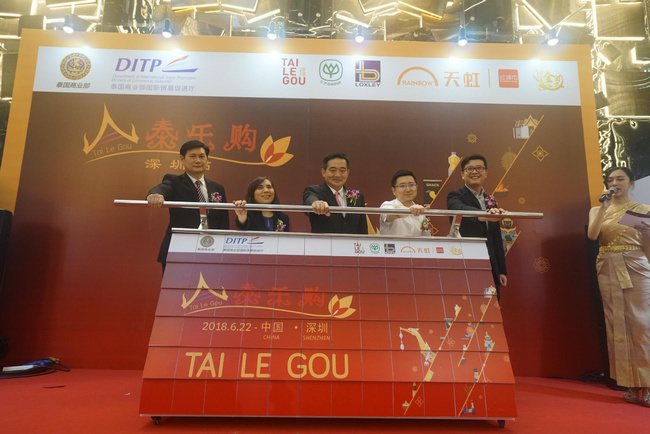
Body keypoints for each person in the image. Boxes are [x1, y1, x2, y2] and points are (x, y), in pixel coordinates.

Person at [587, 166, 650, 407]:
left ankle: (648, 385)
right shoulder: (597, 209)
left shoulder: (644, 210)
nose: (614, 183)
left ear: (631, 183)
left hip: (636, 267)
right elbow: (593, 235)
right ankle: (630, 386)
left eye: (620, 179)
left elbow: (648, 247)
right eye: (610, 179)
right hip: (608, 267)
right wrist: (603, 208)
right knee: (617, 324)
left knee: (642, 323)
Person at [147, 140, 229, 268]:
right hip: (179, 249)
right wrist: (155, 195)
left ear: (207, 159)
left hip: (211, 248)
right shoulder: (175, 181)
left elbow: (223, 223)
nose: (198, 160)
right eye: (192, 156)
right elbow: (162, 188)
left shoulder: (217, 188)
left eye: (201, 156)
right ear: (182, 159)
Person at [447, 154, 507, 299]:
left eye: (479, 168)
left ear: (486, 172)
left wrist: (501, 270)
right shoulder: (455, 196)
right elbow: (460, 209)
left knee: (491, 304)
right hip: (466, 262)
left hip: (491, 265)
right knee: (468, 305)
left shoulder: (490, 200)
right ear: (462, 174)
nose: (475, 172)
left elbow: (496, 237)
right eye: (470, 169)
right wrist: (482, 215)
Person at [303, 152, 368, 234]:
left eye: (342, 171)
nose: (337, 175)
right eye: (333, 170)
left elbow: (362, 229)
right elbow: (310, 199)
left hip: (351, 242)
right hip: (323, 242)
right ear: (323, 172)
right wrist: (316, 203)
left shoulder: (357, 196)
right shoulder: (314, 190)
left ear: (347, 172)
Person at [380, 169, 431, 237]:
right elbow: (392, 213)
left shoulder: (420, 212)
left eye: (411, 185)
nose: (408, 189)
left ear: (416, 187)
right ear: (394, 190)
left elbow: (427, 238)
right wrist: (411, 209)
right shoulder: (387, 205)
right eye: (402, 186)